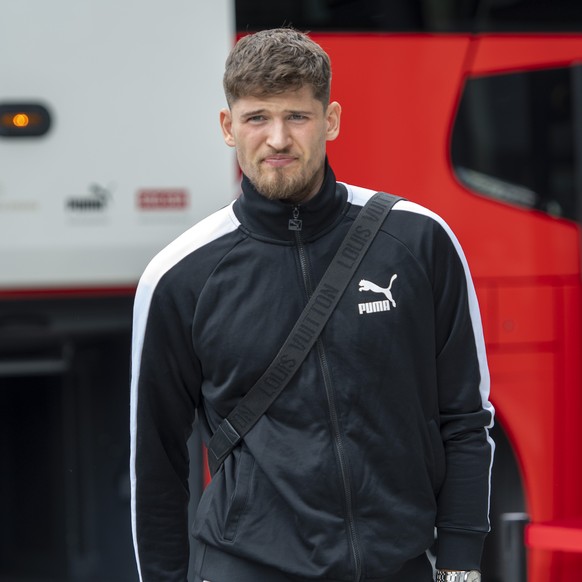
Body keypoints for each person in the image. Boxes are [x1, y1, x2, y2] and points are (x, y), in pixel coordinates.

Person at [130, 28, 494, 582]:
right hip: (246, 566)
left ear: (331, 121)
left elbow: (465, 418)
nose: (277, 138)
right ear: (228, 128)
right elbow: (155, 463)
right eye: (257, 118)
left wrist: (461, 564)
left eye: (297, 117)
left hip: (398, 566)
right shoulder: (180, 276)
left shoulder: (420, 241)